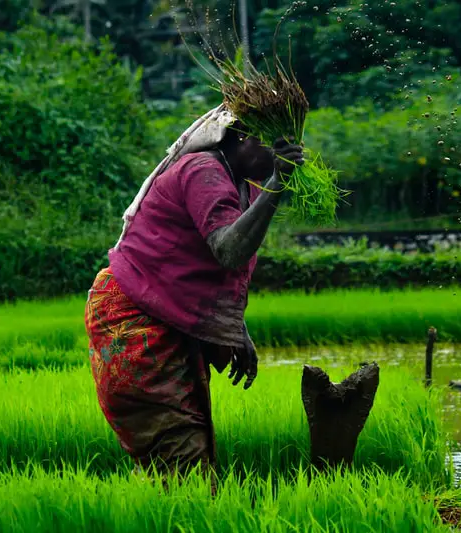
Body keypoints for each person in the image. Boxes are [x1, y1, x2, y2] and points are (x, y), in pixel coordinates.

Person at [84, 104, 304, 492]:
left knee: (178, 461)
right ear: (244, 137)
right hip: (133, 320)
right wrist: (278, 185)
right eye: (275, 145)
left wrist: (237, 330)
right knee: (183, 462)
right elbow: (228, 250)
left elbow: (208, 273)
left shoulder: (242, 183)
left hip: (163, 314)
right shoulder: (203, 170)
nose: (282, 153)